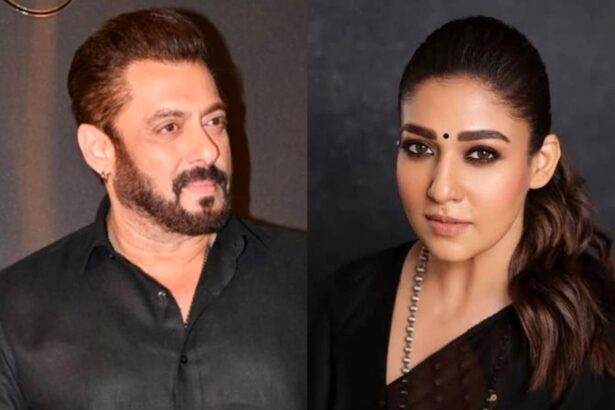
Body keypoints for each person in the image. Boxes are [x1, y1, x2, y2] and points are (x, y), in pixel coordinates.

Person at [0, 8, 306, 409]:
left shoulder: (311, 277)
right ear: (99, 150)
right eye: (170, 127)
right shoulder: (16, 311)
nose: (207, 149)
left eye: (214, 121)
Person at [311, 16, 615, 410]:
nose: (441, 189)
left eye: (482, 154)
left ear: (541, 163)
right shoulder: (345, 303)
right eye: (419, 148)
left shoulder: (591, 339)